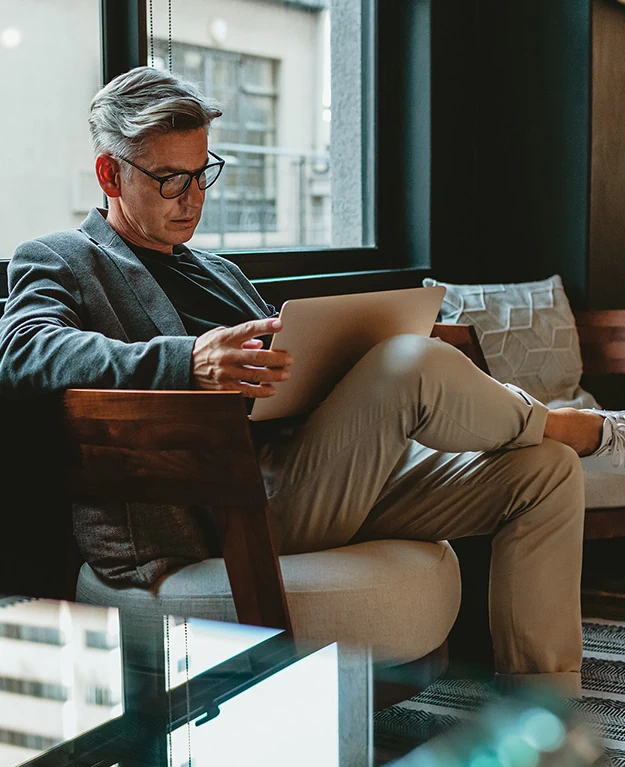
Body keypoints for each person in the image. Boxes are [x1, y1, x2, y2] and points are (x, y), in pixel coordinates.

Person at [0, 66, 623, 700]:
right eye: (169, 180)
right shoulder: (62, 258)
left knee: (543, 473)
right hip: (228, 504)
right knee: (411, 363)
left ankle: (544, 708)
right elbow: (25, 353)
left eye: (201, 173)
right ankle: (573, 427)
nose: (193, 198)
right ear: (111, 174)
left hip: (317, 475)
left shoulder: (217, 270)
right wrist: (189, 359)